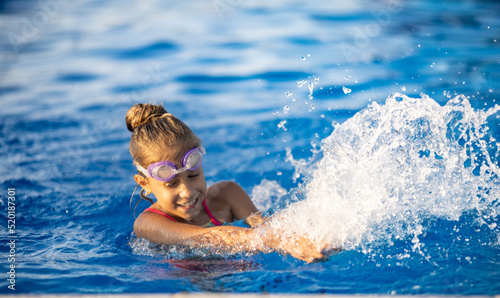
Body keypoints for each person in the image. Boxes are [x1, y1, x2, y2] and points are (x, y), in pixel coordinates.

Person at [126, 103, 332, 262]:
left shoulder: (228, 195)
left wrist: (310, 238)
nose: (187, 191)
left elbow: (263, 228)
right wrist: (280, 241)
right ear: (144, 183)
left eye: (193, 175)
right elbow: (205, 238)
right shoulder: (147, 225)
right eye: (171, 184)